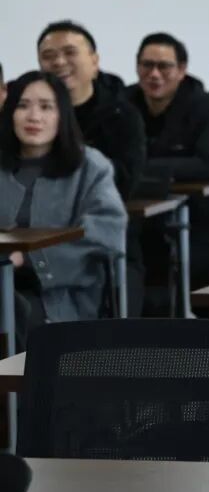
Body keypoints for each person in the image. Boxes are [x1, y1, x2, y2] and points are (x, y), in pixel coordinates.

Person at [0, 72, 126, 349]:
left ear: (62, 115)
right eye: (23, 106)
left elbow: (107, 233)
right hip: (4, 286)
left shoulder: (90, 166)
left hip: (60, 298)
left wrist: (27, 259)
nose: (34, 116)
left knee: (11, 308)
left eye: (46, 107)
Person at [127, 32, 209, 298]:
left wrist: (148, 167)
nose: (154, 74)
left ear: (182, 70)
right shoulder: (124, 104)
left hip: (194, 217)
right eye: (147, 65)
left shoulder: (204, 106)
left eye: (164, 66)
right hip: (135, 211)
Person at [36, 20, 146, 199]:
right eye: (48, 56)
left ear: (94, 62)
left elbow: (125, 182)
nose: (59, 62)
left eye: (70, 52)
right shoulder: (30, 114)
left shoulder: (121, 115)